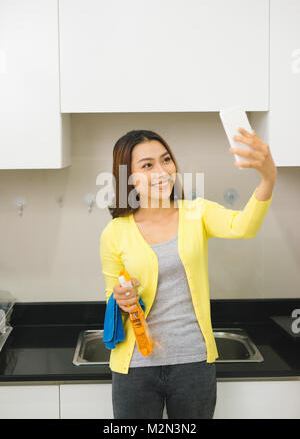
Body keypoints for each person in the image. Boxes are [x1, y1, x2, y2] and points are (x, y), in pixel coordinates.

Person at [100, 128, 277, 419]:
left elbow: (244, 226)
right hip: (135, 367)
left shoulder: (197, 213)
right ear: (128, 177)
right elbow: (112, 297)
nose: (162, 171)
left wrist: (268, 177)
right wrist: (120, 298)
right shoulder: (114, 233)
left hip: (193, 363)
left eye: (166, 160)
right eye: (147, 165)